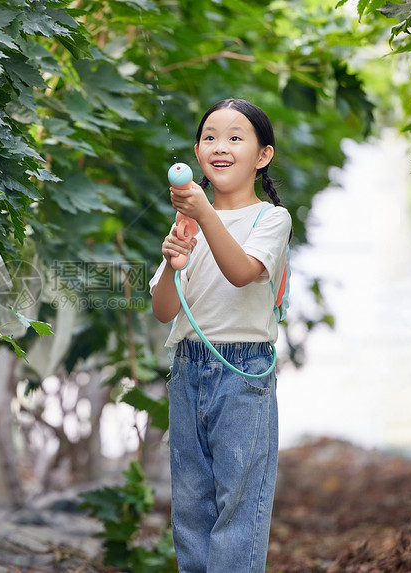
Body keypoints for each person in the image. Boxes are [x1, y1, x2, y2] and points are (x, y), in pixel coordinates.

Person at [149, 98, 292, 572]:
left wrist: (205, 215)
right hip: (187, 368)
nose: (220, 146)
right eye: (210, 137)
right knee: (190, 504)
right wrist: (173, 262)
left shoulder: (270, 219)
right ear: (196, 151)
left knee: (239, 505)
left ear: (262, 155)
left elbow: (242, 272)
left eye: (236, 137)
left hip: (242, 372)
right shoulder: (187, 222)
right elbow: (163, 309)